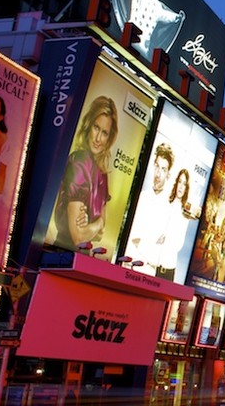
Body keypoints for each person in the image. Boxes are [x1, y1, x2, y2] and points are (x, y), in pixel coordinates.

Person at [53, 96, 118, 249]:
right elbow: (78, 236)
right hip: (61, 255)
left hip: (83, 257)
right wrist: (98, 223)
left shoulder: (102, 172)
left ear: (109, 138)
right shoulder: (79, 161)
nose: (98, 138)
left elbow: (101, 233)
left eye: (104, 133)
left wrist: (96, 225)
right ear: (89, 126)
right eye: (96, 127)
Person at [128, 142, 178, 279]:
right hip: (127, 268)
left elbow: (163, 253)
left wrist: (141, 243)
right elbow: (131, 239)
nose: (158, 173)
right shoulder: (141, 197)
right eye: (157, 166)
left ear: (168, 174)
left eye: (163, 169)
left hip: (150, 276)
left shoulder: (170, 208)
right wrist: (151, 243)